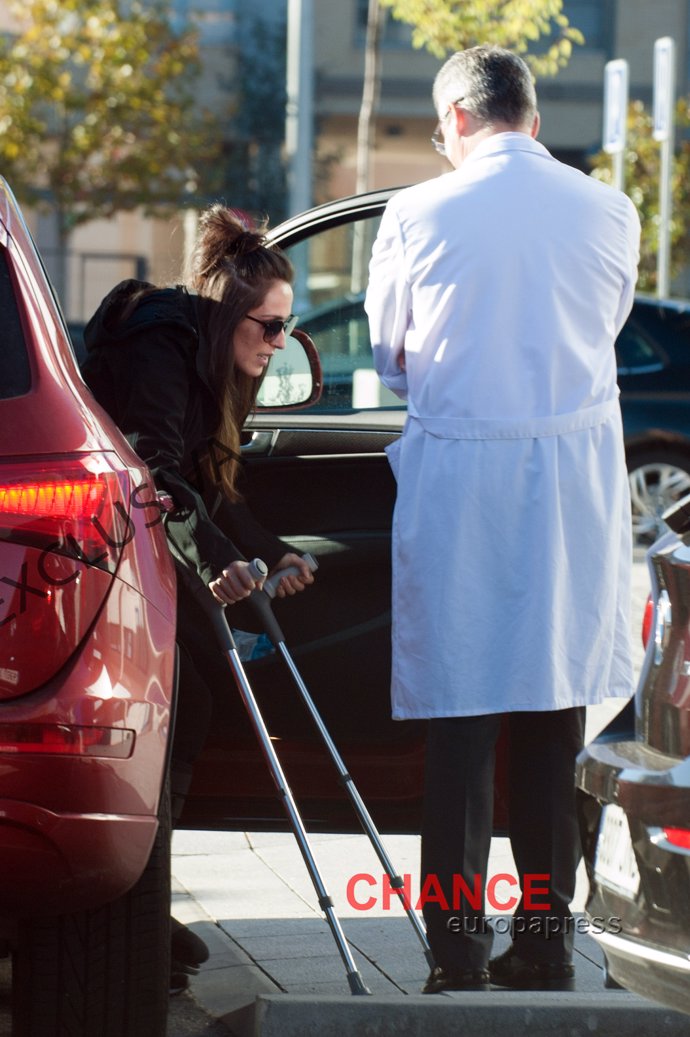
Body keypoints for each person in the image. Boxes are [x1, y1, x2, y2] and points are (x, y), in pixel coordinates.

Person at [365, 45, 640, 994]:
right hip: (571, 485)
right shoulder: (610, 208)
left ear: (454, 119)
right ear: (531, 115)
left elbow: (393, 361)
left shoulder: (415, 211)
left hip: (463, 485)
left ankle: (454, 951)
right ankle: (549, 941)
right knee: (554, 720)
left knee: (461, 728)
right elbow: (602, 328)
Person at [81, 204, 314, 989]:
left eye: (288, 328)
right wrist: (218, 556)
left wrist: (269, 549)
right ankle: (133, 908)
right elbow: (153, 466)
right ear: (226, 316)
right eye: (270, 327)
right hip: (101, 549)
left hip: (150, 545)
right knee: (182, 696)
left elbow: (213, 484)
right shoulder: (164, 343)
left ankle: (144, 905)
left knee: (196, 698)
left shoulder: (218, 361)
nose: (279, 344)